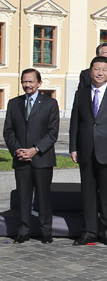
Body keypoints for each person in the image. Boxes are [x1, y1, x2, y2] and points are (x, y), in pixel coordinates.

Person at [69, 56, 107, 246]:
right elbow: (74, 123)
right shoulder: (81, 94)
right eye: (96, 69)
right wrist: (73, 147)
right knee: (87, 193)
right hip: (86, 150)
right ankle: (89, 232)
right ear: (90, 72)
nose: (100, 73)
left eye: (104, 70)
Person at [3, 69, 59, 244]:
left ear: (39, 83)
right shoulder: (14, 104)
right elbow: (8, 130)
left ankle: (46, 232)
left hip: (42, 159)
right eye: (24, 82)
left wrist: (35, 149)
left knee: (43, 197)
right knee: (23, 197)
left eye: (31, 82)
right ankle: (23, 231)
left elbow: (52, 132)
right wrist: (18, 149)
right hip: (21, 158)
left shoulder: (50, 103)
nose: (27, 85)